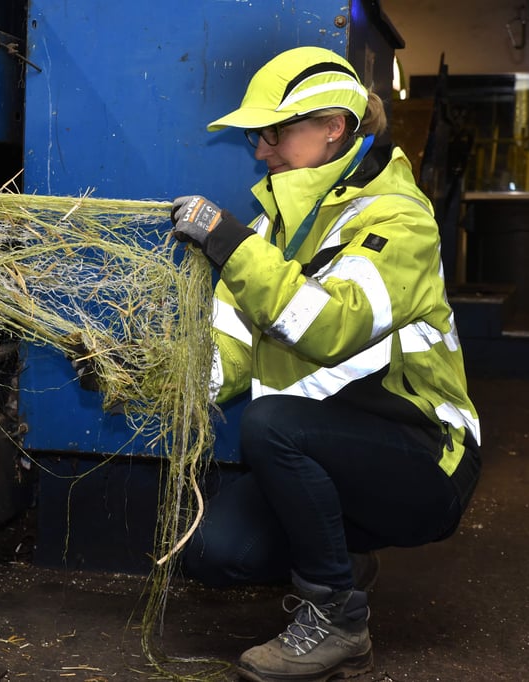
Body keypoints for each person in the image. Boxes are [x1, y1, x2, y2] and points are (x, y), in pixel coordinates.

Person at [169, 46, 482, 682]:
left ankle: (337, 620)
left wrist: (230, 246)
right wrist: (139, 378)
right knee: (212, 551)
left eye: (273, 133)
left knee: (269, 426)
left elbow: (331, 325)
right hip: (332, 448)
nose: (261, 151)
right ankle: (341, 558)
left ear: (333, 126)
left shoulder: (398, 219)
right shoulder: (272, 232)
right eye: (258, 136)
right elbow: (226, 356)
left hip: (426, 456)